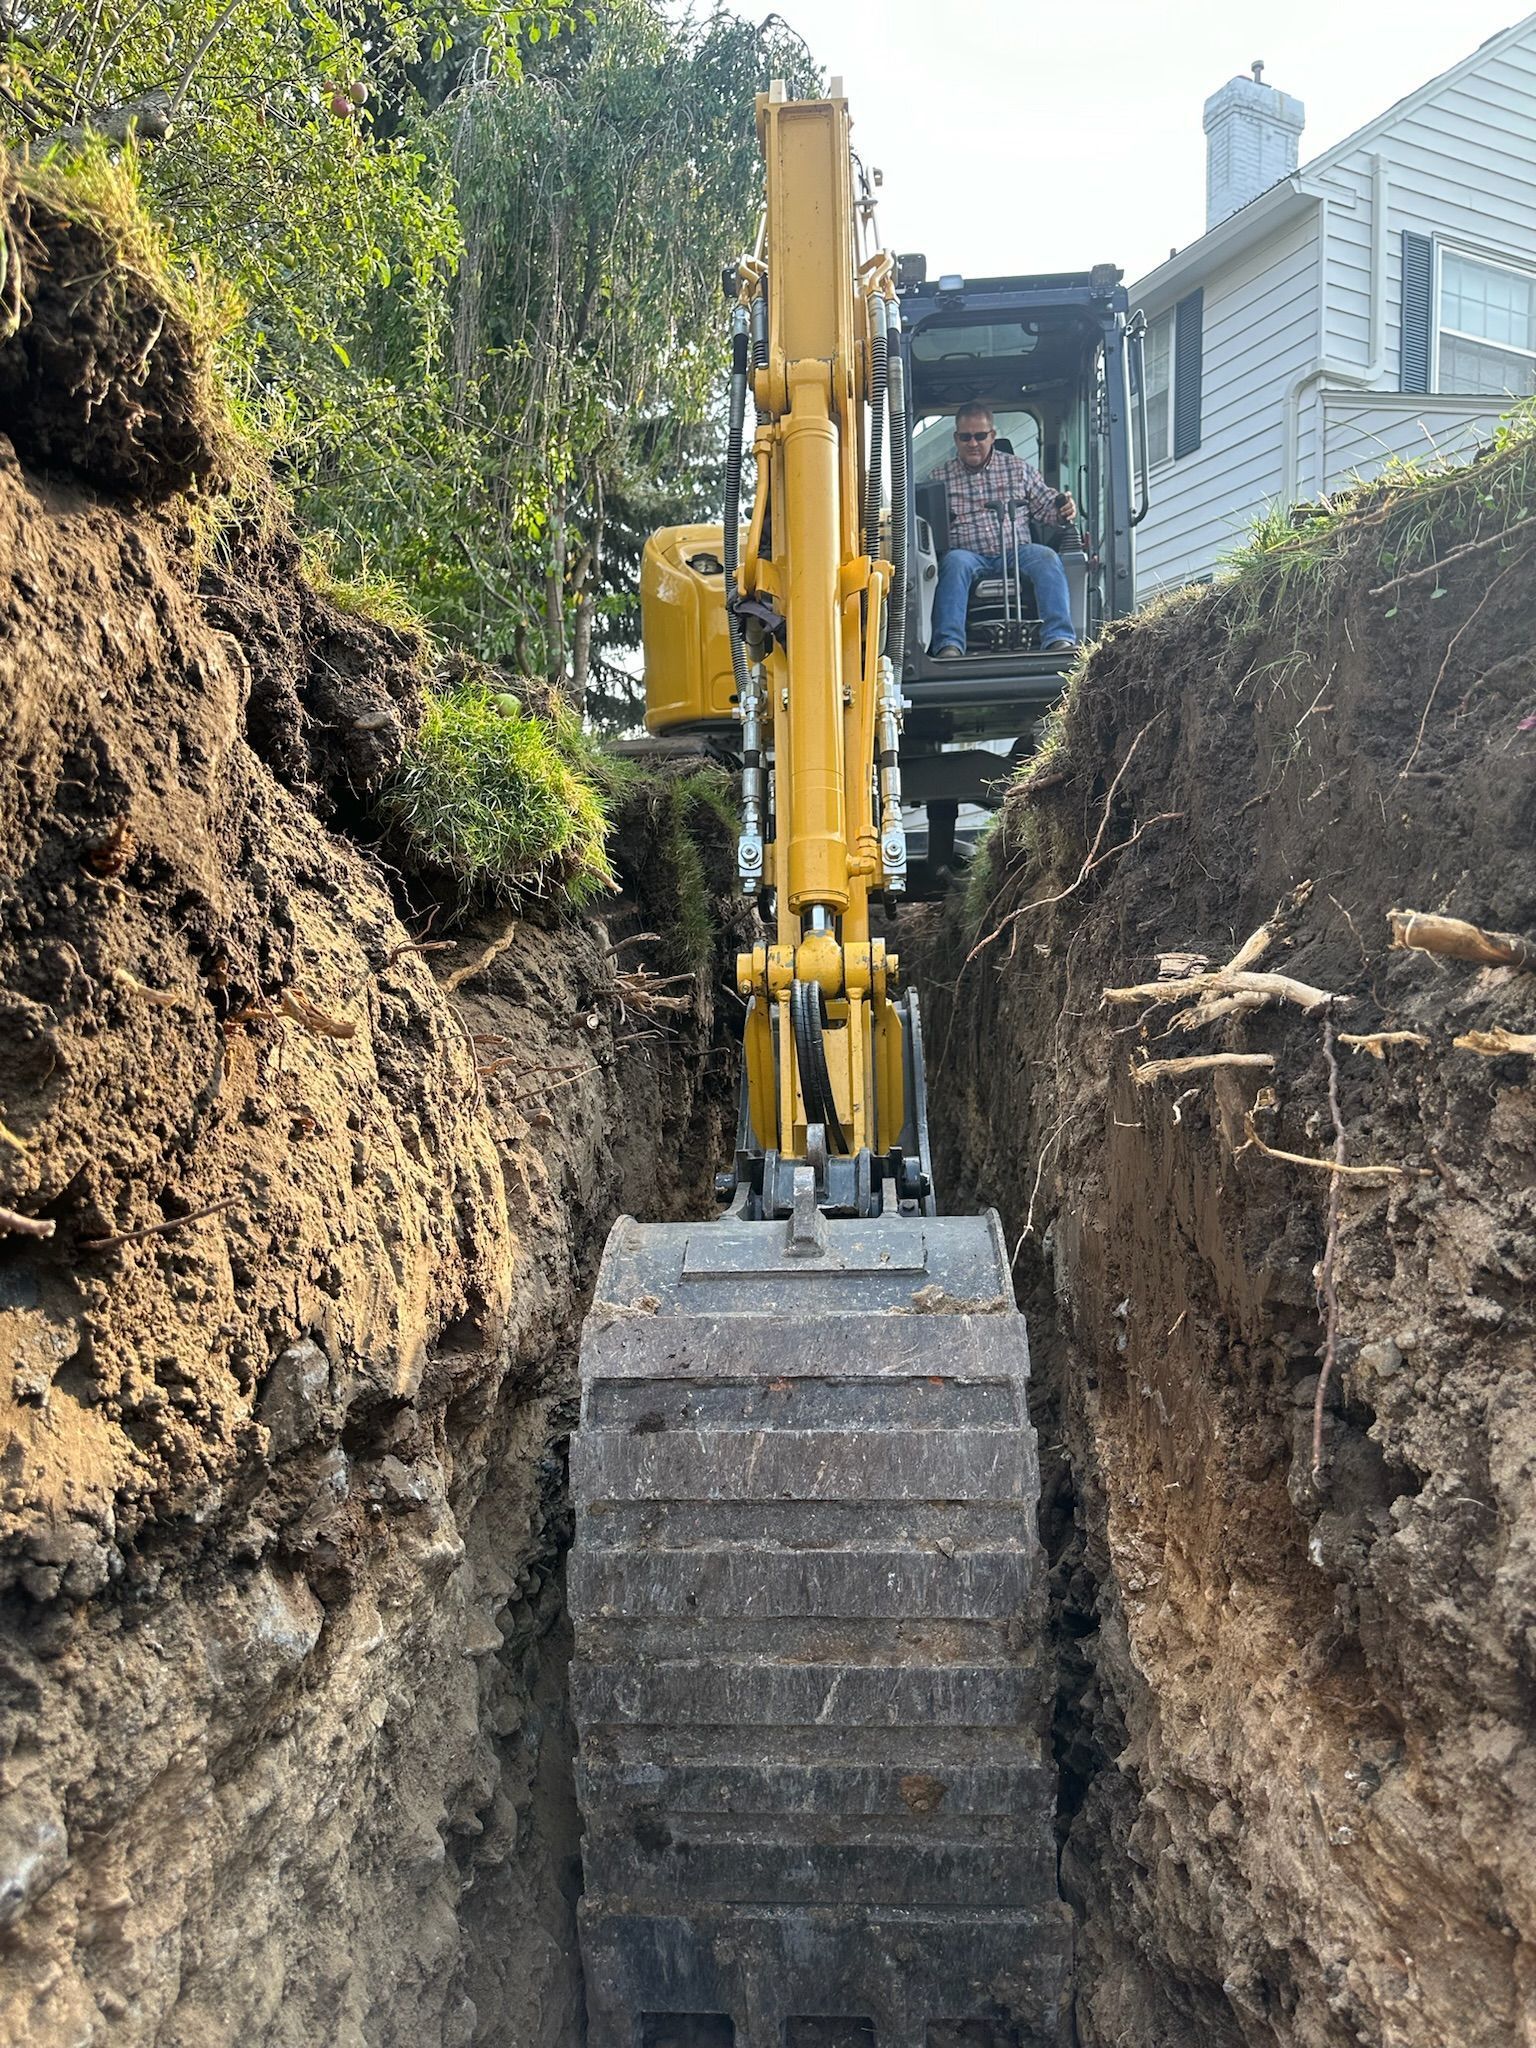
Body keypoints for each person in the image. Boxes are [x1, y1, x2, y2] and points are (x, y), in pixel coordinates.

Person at [928, 402, 1077, 655]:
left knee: (1046, 557)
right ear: (956, 438)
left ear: (993, 436)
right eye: (965, 437)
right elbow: (927, 523)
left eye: (980, 436)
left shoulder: (1018, 469)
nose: (973, 443)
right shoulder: (939, 477)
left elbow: (1047, 507)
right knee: (953, 562)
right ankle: (949, 644)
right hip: (968, 555)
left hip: (1017, 551)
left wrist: (1063, 508)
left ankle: (1059, 638)